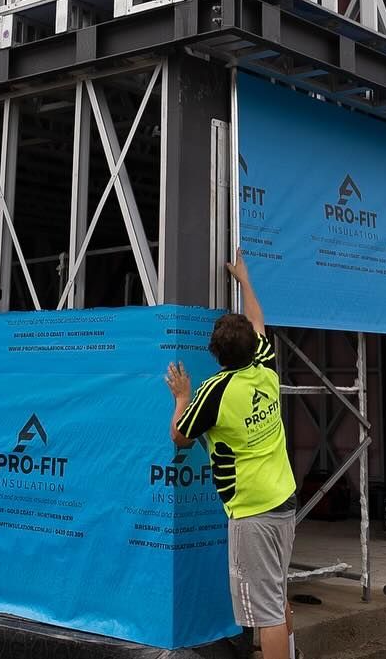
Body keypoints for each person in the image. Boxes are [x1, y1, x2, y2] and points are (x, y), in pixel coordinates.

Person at [166, 249, 297, 659]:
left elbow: (180, 438)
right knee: (277, 593)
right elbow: (258, 322)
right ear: (251, 348)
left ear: (216, 356)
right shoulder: (266, 370)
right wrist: (244, 280)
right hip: (284, 499)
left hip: (252, 511)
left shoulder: (215, 392)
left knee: (266, 612)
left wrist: (181, 397)